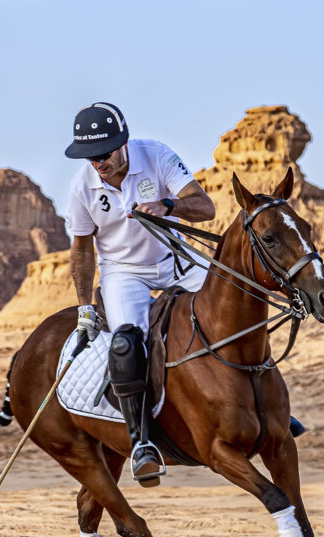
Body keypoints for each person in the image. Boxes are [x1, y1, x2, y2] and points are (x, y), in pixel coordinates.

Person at [63, 102, 216, 486]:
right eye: (90, 156)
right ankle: (141, 443)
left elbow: (205, 207)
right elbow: (82, 250)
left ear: (122, 143)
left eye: (104, 153)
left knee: (231, 306)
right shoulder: (82, 186)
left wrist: (168, 205)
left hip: (175, 258)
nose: (98, 162)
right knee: (127, 344)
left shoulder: (156, 155)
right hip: (124, 274)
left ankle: (265, 402)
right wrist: (84, 307)